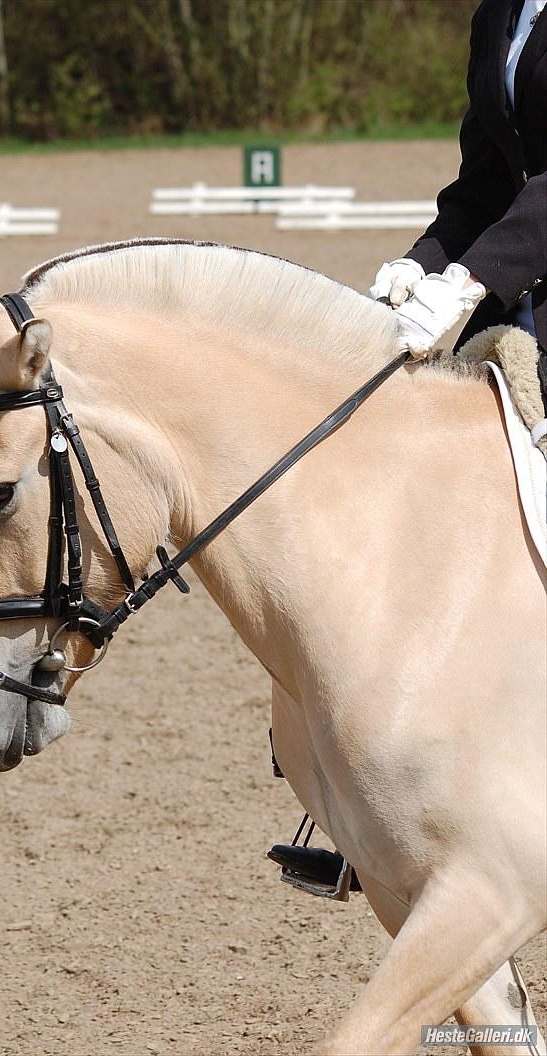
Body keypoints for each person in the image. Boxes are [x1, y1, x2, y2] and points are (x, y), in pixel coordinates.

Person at [269, 0, 546, 896]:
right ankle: (385, 788)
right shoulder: (499, 14)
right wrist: (422, 262)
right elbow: (484, 180)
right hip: (524, 295)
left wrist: (472, 278)